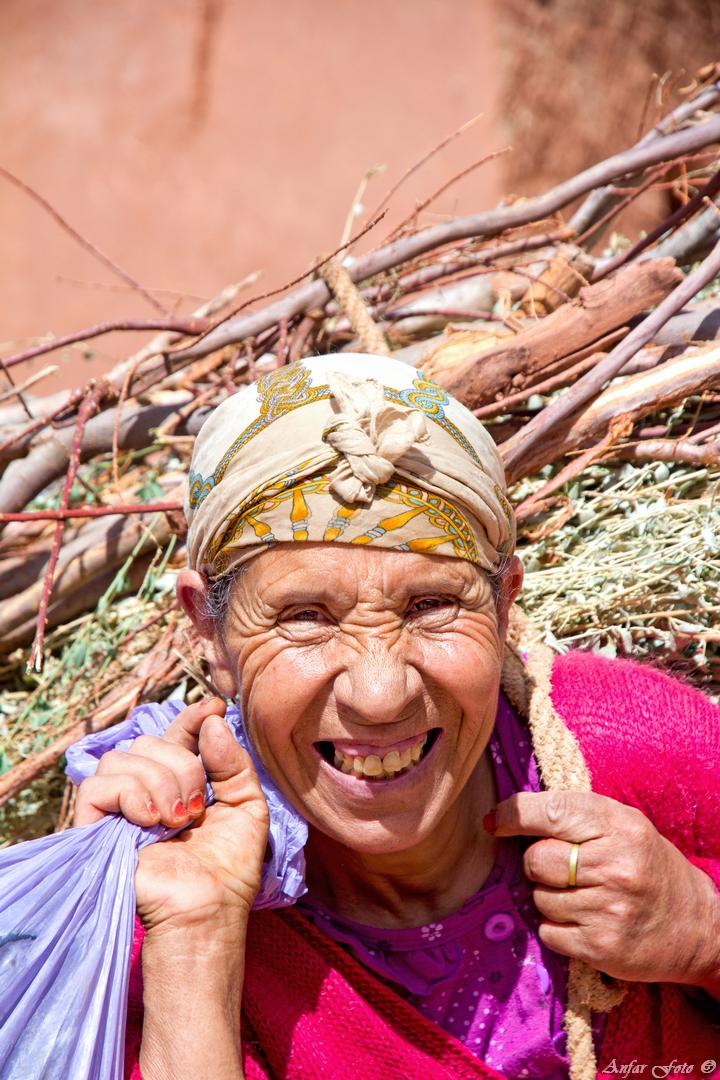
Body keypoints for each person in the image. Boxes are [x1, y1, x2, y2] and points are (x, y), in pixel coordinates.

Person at [73, 355, 720, 1080]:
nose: (380, 695)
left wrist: (703, 933)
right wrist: (194, 945)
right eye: (304, 617)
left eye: (432, 606)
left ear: (505, 604)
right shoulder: (158, 904)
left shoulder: (633, 747)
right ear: (211, 634)